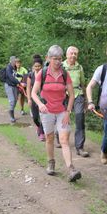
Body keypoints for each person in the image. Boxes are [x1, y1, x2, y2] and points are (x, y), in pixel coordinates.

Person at [31, 45, 81, 182]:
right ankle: (51, 162)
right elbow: (33, 93)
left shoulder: (65, 74)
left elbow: (71, 95)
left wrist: (68, 112)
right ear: (48, 58)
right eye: (55, 59)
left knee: (64, 139)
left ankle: (71, 169)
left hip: (62, 112)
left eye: (60, 59)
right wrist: (40, 104)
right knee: (50, 138)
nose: (58, 62)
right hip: (47, 111)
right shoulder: (42, 73)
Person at [63, 46, 89, 157]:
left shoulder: (79, 67)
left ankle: (80, 147)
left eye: (75, 54)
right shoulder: (61, 66)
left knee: (79, 118)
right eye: (71, 53)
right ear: (67, 55)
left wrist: (87, 100)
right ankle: (61, 139)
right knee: (63, 118)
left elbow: (83, 84)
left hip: (78, 94)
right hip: (64, 95)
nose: (73, 55)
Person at [26, 55, 46, 141]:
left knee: (43, 116)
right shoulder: (30, 75)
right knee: (35, 117)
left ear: (42, 66)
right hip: (34, 98)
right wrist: (29, 99)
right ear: (33, 66)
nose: (37, 68)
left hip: (43, 98)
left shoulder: (45, 74)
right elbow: (28, 87)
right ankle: (38, 127)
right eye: (35, 66)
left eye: (39, 66)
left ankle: (41, 133)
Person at [2, 56, 20, 123]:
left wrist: (22, 76)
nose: (16, 62)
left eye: (16, 61)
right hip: (8, 86)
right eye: (15, 61)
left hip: (14, 86)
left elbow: (15, 74)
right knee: (12, 100)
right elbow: (11, 77)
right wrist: (19, 82)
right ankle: (11, 117)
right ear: (11, 61)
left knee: (15, 100)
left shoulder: (14, 67)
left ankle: (11, 111)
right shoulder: (8, 67)